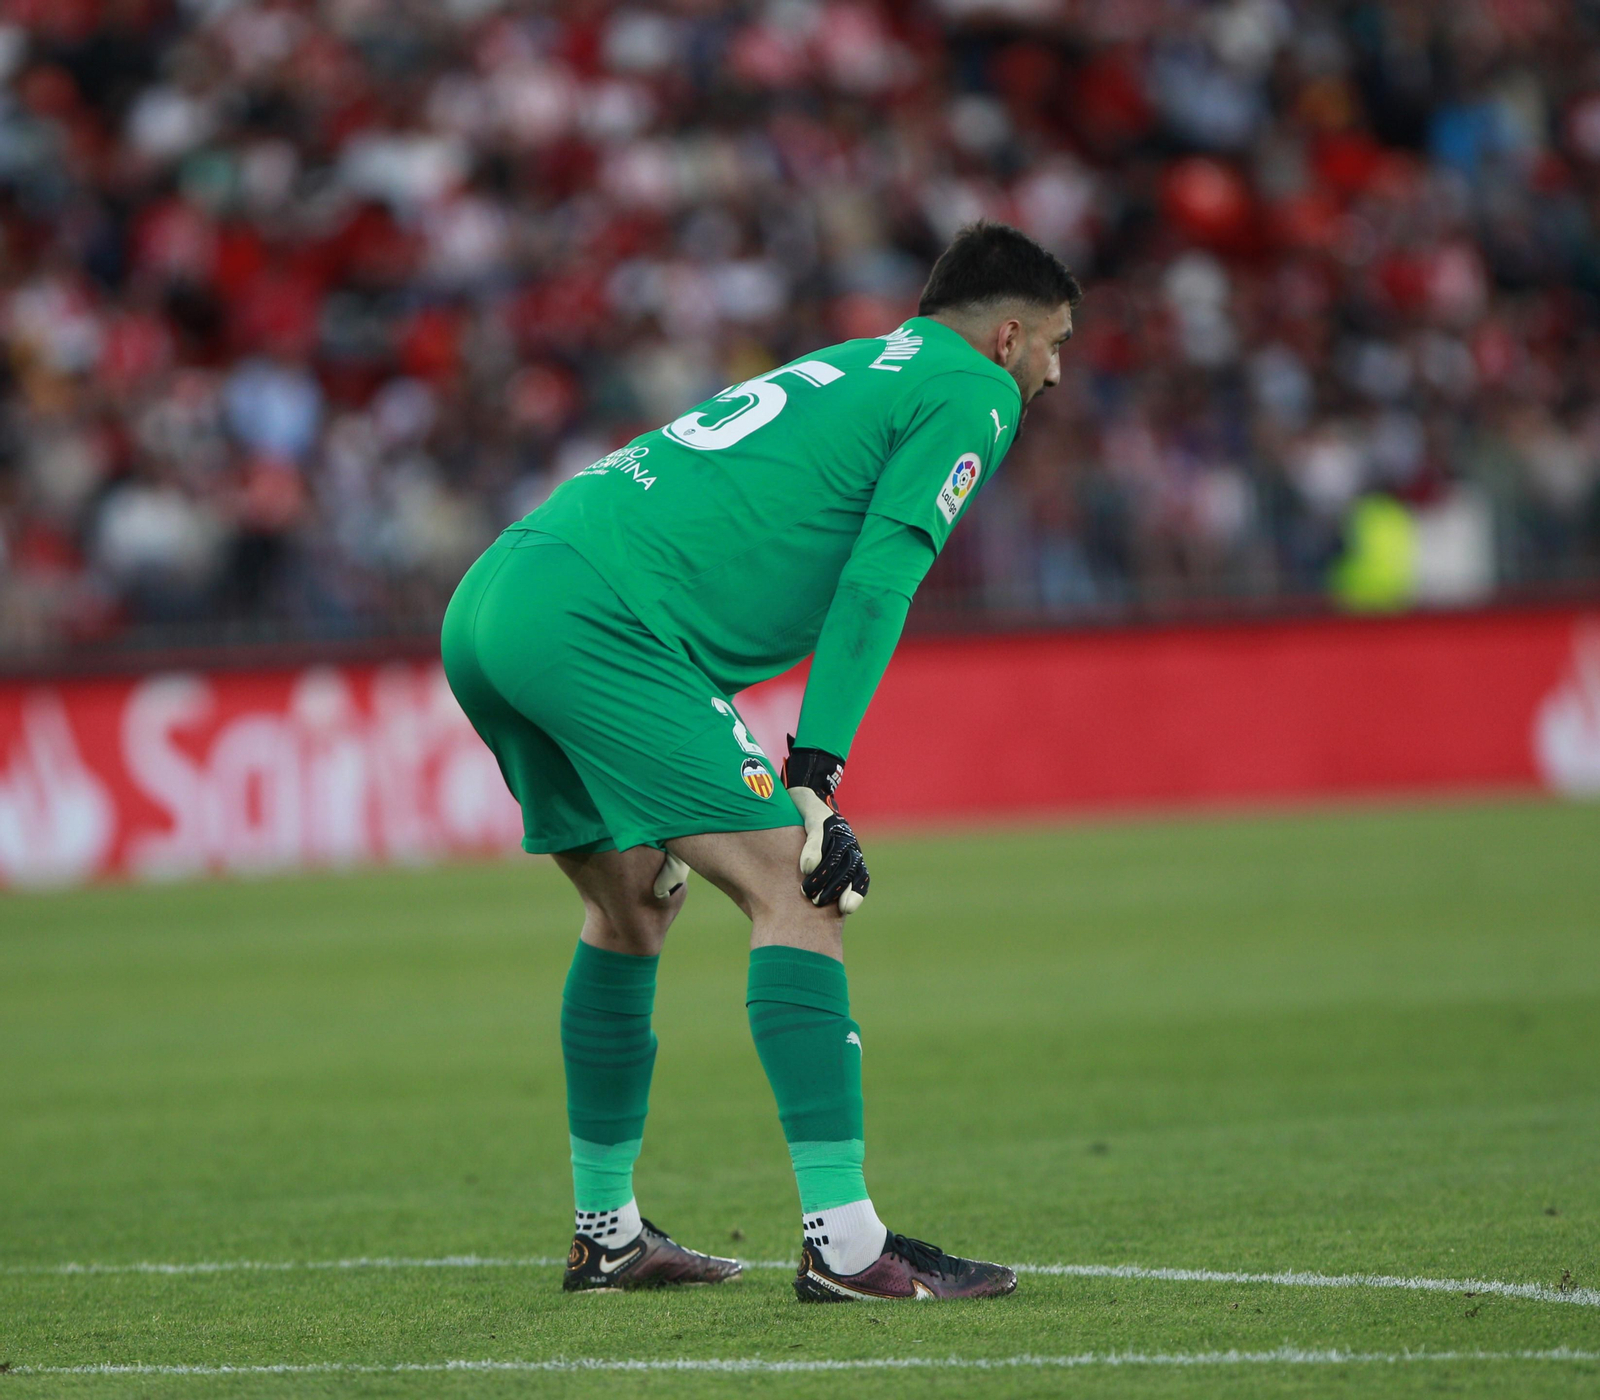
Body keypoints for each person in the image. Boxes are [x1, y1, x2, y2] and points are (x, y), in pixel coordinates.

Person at [442, 221, 1079, 1302]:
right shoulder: (973, 389)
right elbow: (880, 581)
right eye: (1055, 343)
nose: (1055, 370)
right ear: (1007, 334)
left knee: (633, 907)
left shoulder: (858, 363)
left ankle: (608, 1233)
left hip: (500, 594)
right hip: (600, 619)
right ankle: (844, 1242)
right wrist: (816, 773)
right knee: (799, 885)